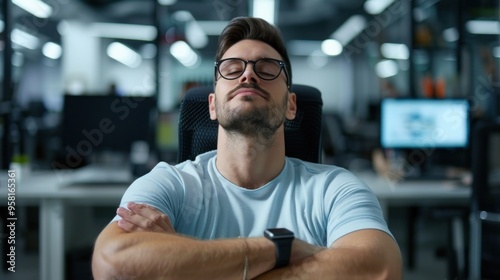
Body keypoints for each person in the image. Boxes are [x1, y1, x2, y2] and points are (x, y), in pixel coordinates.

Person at [92, 16, 402, 279]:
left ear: (291, 105)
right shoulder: (171, 183)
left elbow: (380, 269)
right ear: (212, 105)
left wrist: (186, 262)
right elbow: (111, 263)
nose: (248, 74)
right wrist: (281, 249)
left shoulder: (334, 188)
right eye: (232, 68)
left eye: (267, 68)